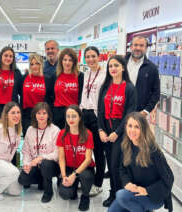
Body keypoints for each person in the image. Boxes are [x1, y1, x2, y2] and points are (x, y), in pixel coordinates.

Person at [109, 112, 174, 212]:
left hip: (153, 195)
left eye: (137, 127)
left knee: (121, 195)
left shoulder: (152, 150)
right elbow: (122, 169)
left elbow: (169, 177)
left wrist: (147, 191)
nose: (132, 130)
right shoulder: (126, 145)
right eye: (130, 126)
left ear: (143, 129)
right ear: (126, 127)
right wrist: (127, 183)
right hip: (135, 191)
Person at [97, 55, 137, 207]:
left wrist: (118, 133)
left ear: (123, 68)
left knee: (115, 165)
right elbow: (100, 110)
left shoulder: (130, 88)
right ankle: (115, 193)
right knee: (111, 164)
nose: (113, 69)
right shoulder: (105, 86)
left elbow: (130, 114)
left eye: (116, 65)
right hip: (106, 130)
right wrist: (100, 129)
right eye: (110, 66)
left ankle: (117, 195)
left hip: (121, 131)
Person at [18, 102, 60, 203]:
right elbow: (26, 150)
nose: (41, 116)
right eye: (39, 113)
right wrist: (27, 164)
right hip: (35, 164)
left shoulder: (55, 130)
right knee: (23, 180)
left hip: (50, 165)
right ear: (34, 115)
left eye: (44, 113)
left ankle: (48, 192)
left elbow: (57, 154)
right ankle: (41, 179)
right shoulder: (30, 129)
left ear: (48, 115)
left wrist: (40, 158)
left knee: (45, 164)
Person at [57, 105, 95, 211]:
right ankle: (73, 188)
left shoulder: (88, 134)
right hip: (69, 167)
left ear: (80, 118)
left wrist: (75, 175)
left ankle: (85, 196)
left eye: (74, 116)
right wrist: (64, 176)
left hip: (85, 168)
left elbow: (88, 159)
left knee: (86, 177)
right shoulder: (62, 133)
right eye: (68, 116)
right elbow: (61, 158)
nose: (70, 119)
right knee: (65, 194)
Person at [79, 46, 106, 197]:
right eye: (87, 56)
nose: (90, 59)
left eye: (93, 56)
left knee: (99, 152)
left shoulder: (105, 74)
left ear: (99, 56)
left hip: (97, 116)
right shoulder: (85, 74)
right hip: (84, 115)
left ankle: (98, 183)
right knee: (84, 150)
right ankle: (84, 177)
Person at [126, 36, 160, 117]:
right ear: (131, 47)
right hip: (119, 110)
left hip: (139, 113)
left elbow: (156, 93)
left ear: (146, 48)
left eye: (141, 45)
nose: (138, 48)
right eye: (135, 45)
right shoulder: (121, 63)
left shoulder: (152, 68)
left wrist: (146, 111)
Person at [21, 54, 54, 136]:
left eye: (37, 63)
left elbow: (51, 98)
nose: (34, 66)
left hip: (42, 115)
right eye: (32, 64)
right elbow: (20, 94)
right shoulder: (24, 77)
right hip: (27, 115)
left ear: (41, 65)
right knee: (28, 140)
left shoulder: (47, 79)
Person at [52, 48, 84, 129]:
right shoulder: (55, 76)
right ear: (61, 61)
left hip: (73, 113)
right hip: (58, 114)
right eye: (65, 60)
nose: (67, 63)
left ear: (74, 62)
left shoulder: (80, 76)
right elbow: (50, 95)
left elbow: (81, 96)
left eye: (70, 60)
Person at [0, 46, 23, 122]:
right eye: (6, 55)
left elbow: (21, 91)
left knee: (12, 132)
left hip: (12, 108)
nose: (8, 58)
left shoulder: (16, 73)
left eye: (11, 56)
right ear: (1, 56)